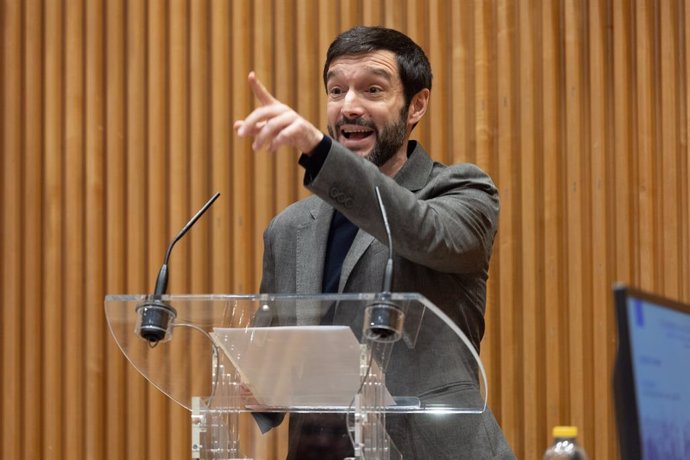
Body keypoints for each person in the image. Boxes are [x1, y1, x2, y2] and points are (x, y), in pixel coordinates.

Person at [235, 26, 515, 459]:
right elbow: (274, 355)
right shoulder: (288, 229)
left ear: (416, 105)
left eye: (372, 90)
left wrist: (318, 149)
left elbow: (421, 230)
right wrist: (260, 384)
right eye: (336, 90)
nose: (349, 106)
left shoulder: (462, 193)